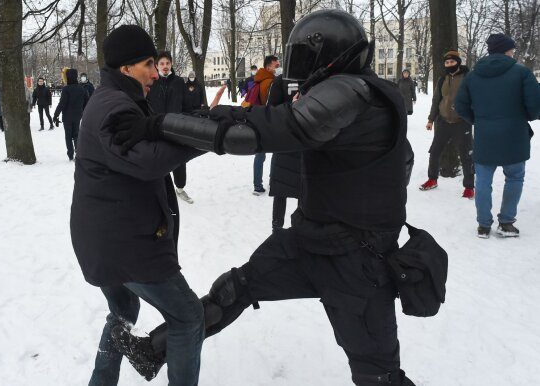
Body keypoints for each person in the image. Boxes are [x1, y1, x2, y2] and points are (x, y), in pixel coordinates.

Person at [109, 10, 417, 386]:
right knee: (235, 288)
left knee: (378, 375)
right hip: (311, 240)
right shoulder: (353, 92)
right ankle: (152, 350)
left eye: (305, 56)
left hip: (357, 260)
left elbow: (268, 130)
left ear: (331, 54)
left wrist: (159, 124)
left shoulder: (354, 89)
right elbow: (401, 160)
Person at [70, 24, 206, 385]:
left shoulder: (116, 98)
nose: (155, 72)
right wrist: (208, 135)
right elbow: (150, 161)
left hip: (106, 238)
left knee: (124, 308)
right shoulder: (114, 105)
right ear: (126, 68)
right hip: (125, 244)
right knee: (188, 315)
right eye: (148, 63)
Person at [455, 33, 540, 238]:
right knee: (515, 177)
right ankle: (506, 222)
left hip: (485, 136)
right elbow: (535, 106)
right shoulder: (522, 73)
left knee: (483, 181)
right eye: (512, 49)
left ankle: (484, 226)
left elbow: (460, 105)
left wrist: (478, 120)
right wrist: (523, 117)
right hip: (514, 135)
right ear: (507, 50)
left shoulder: (473, 75)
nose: (513, 53)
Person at [420, 51, 474, 199]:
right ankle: (432, 179)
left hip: (462, 123)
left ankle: (469, 187)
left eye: (452, 62)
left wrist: (472, 116)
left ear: (458, 62)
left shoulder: (468, 77)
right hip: (443, 122)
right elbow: (436, 100)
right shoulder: (442, 78)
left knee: (466, 156)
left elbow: (475, 98)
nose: (449, 64)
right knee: (435, 152)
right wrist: (431, 119)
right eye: (447, 63)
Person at [147, 51, 194, 204]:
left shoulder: (179, 82)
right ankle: (160, 190)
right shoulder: (151, 81)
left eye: (167, 63)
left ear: (171, 64)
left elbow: (187, 105)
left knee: (179, 159)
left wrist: (186, 121)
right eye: (161, 63)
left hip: (177, 127)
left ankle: (180, 188)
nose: (165, 66)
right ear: (156, 65)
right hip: (157, 127)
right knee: (158, 158)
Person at [267, 74, 301, 232]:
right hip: (287, 143)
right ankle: (276, 228)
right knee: (281, 190)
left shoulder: (317, 76)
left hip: (305, 144)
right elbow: (271, 112)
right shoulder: (281, 80)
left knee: (306, 191)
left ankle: (302, 228)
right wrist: (291, 110)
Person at [250, 55, 280, 195]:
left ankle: (257, 185)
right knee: (277, 154)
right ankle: (274, 182)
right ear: (268, 67)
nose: (278, 67)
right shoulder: (270, 82)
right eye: (276, 65)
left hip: (258, 121)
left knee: (260, 156)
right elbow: (272, 104)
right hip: (269, 122)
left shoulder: (260, 79)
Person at [53, 68, 89, 160]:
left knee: (68, 136)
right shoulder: (82, 88)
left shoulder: (66, 89)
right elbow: (86, 101)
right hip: (78, 115)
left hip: (67, 116)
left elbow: (62, 103)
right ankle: (77, 150)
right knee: (76, 134)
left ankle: (70, 154)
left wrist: (56, 115)